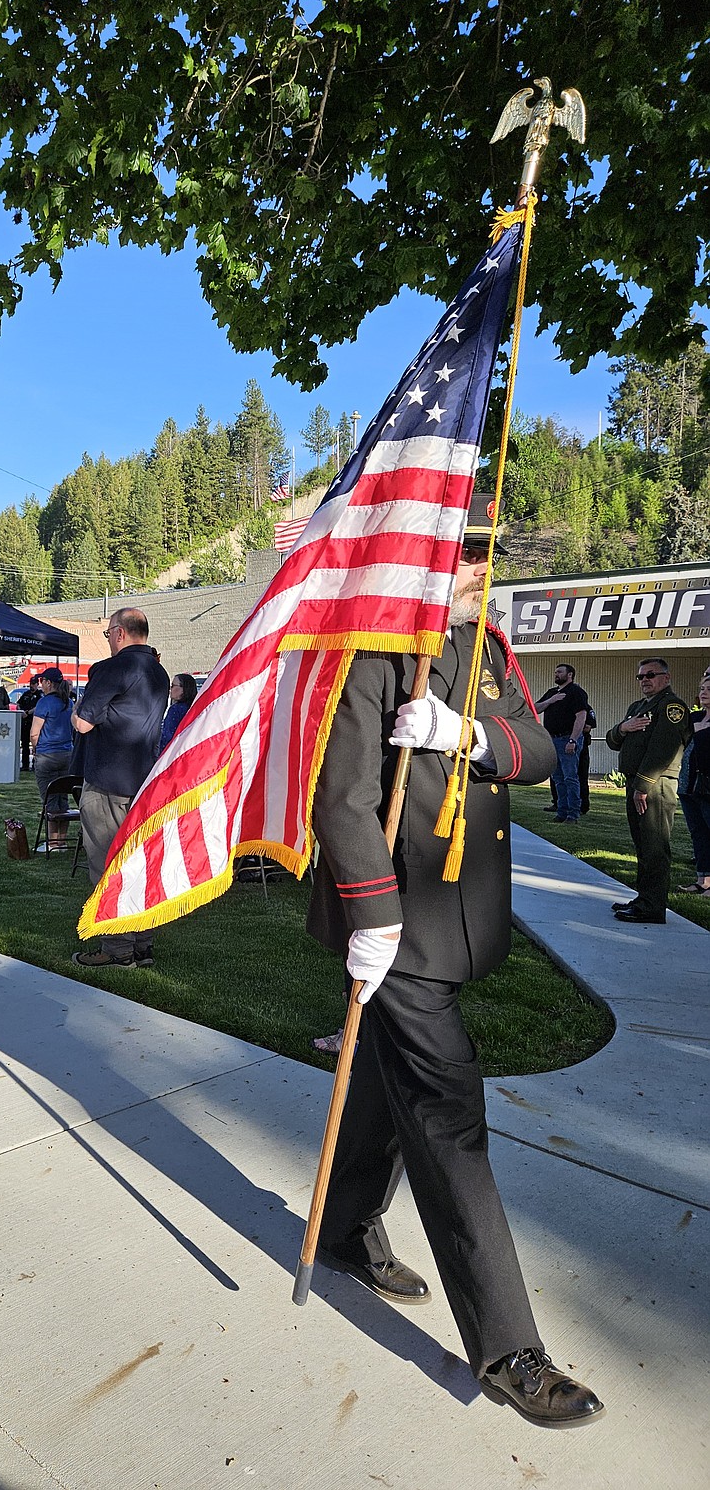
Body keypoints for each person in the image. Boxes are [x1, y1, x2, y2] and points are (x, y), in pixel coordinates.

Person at [308, 514, 604, 1429]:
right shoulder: (379, 647)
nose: (484, 565)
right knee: (449, 1115)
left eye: (488, 550)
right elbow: (342, 792)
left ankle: (345, 1227)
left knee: (383, 1085)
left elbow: (543, 747)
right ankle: (509, 1349)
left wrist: (467, 732)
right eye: (469, 549)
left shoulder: (483, 646)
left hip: (455, 914)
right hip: (395, 921)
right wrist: (370, 910)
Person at [71, 608, 169, 970]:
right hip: (142, 780)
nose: (107, 638)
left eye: (107, 632)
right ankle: (142, 944)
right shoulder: (159, 672)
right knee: (140, 866)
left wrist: (79, 711)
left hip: (107, 781)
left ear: (120, 633)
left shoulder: (115, 667)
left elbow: (82, 722)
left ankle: (116, 948)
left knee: (106, 866)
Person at [606, 657, 692, 925]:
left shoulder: (671, 706)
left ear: (666, 678)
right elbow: (612, 741)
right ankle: (643, 899)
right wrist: (623, 727)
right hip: (636, 783)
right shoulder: (638, 707)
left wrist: (642, 785)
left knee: (654, 846)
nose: (645, 680)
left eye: (651, 675)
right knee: (642, 845)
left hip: (655, 785)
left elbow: (662, 750)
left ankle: (653, 907)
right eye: (641, 676)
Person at [534, 663, 591, 824]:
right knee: (558, 778)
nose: (556, 674)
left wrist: (573, 740)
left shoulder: (576, 692)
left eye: (559, 672)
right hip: (552, 739)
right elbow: (535, 708)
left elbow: (581, 717)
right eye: (555, 672)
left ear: (570, 674)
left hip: (568, 739)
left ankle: (573, 814)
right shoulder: (552, 693)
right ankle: (561, 811)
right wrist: (551, 701)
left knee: (570, 777)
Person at [30, 669, 75, 851]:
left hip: (47, 756)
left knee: (50, 800)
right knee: (62, 799)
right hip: (67, 755)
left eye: (42, 680)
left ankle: (52, 843)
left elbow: (35, 732)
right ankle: (61, 842)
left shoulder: (44, 703)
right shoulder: (69, 702)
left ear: (48, 683)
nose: (40, 683)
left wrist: (35, 748)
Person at [676, 665, 710, 895]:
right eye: (702, 688)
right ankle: (703, 880)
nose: (704, 692)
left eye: (709, 688)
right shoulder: (694, 717)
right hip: (688, 786)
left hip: (708, 787)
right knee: (698, 833)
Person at [160, 673, 197, 751]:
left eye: (173, 686)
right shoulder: (194, 708)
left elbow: (167, 737)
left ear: (183, 689)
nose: (170, 689)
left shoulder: (176, 710)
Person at [18, 674, 42, 770]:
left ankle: (35, 765)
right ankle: (25, 765)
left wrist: (28, 712)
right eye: (30, 684)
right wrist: (21, 711)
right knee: (24, 744)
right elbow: (18, 703)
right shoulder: (26, 694)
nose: (31, 686)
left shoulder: (40, 695)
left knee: (35, 745)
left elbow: (39, 707)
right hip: (25, 722)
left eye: (33, 684)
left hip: (34, 722)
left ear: (37, 684)